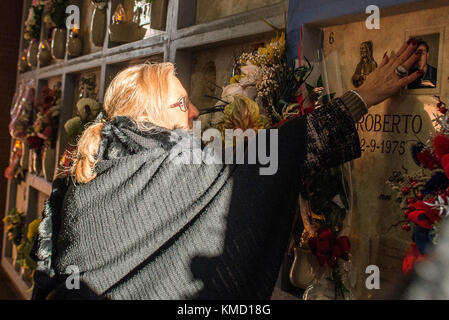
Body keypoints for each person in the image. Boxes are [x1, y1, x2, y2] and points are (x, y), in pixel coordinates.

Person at [32, 40, 424, 300]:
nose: (194, 112)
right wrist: (367, 94)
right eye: (179, 104)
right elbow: (283, 150)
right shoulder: (171, 171)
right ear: (147, 117)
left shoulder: (85, 179)